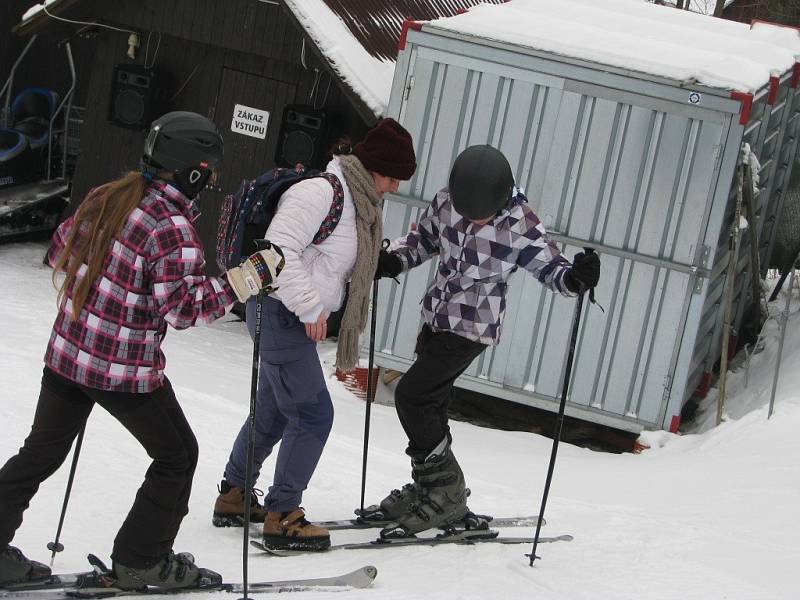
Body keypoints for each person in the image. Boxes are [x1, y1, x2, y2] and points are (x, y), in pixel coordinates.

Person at [0, 111, 283, 589]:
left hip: (68, 355)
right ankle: (141, 560)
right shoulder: (172, 227)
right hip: (121, 372)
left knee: (41, 452)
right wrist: (247, 278)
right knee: (177, 456)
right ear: (192, 169)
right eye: (209, 170)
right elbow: (182, 310)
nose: (211, 179)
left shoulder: (107, 196)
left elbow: (59, 251)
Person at [372, 144, 601, 537]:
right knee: (432, 404)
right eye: (466, 211)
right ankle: (433, 486)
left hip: (472, 327)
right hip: (436, 317)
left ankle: (446, 491)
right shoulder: (448, 202)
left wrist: (577, 278)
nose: (472, 219)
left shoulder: (520, 224)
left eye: (481, 214)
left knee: (412, 396)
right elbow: (423, 240)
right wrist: (393, 258)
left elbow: (552, 269)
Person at [213, 118, 417, 551]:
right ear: (374, 167)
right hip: (280, 311)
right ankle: (283, 515)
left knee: (272, 411)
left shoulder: (355, 200)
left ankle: (234, 495)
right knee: (312, 414)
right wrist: (309, 305)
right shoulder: (321, 192)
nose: (395, 187)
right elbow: (277, 250)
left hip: (285, 315)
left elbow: (327, 257)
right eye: (393, 176)